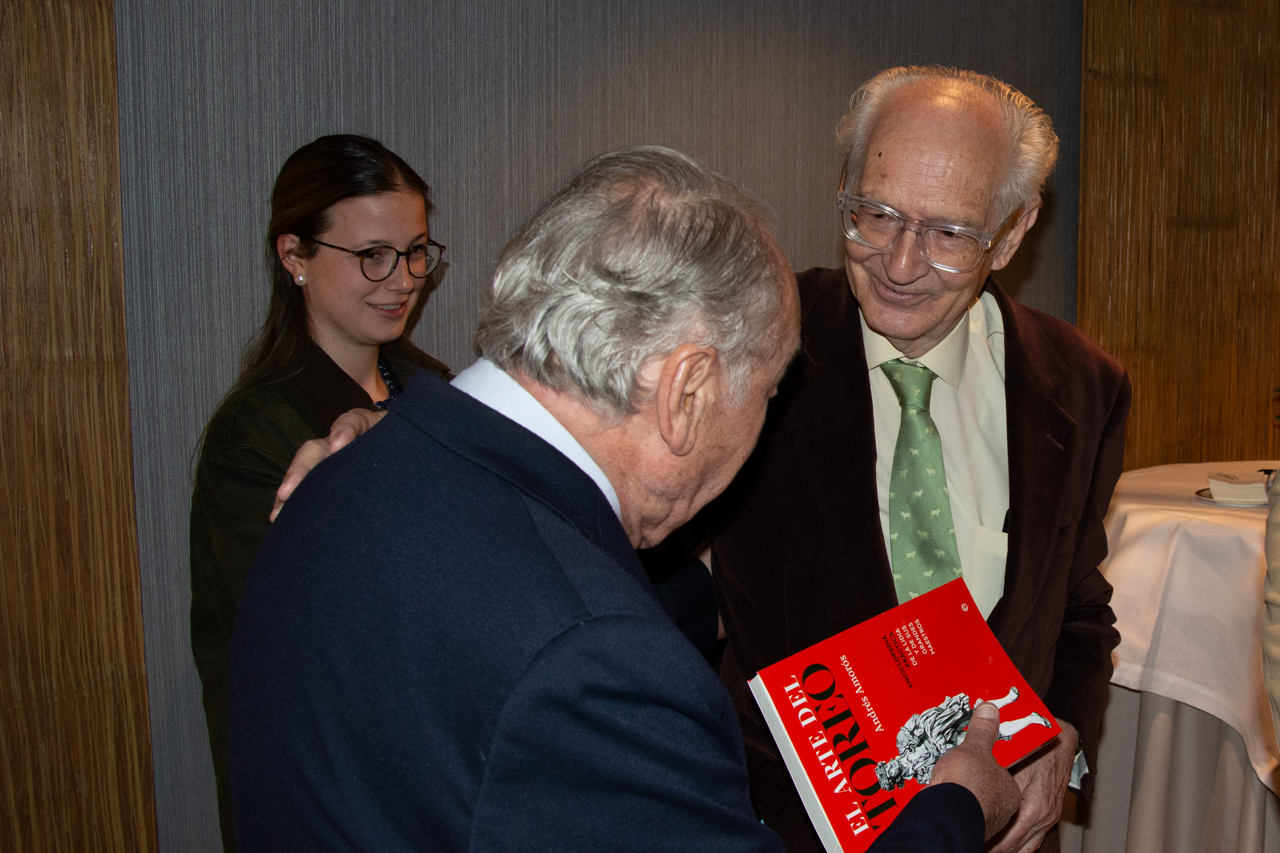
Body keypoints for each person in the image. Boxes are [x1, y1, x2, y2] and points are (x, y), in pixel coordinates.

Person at [228, 146, 1021, 852]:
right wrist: (955, 807)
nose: (759, 435)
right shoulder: (603, 664)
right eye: (767, 395)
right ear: (687, 389)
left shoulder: (335, 477)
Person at [707, 66, 1131, 853]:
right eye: (876, 215)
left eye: (949, 234)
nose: (900, 265)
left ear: (1012, 233)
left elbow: (1077, 602)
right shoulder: (749, 346)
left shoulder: (1083, 384)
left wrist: (1064, 731)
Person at [189, 134, 449, 851]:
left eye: (416, 251)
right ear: (294, 256)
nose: (403, 280)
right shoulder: (255, 437)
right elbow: (303, 650)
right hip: (326, 793)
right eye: (373, 255)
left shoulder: (434, 392)